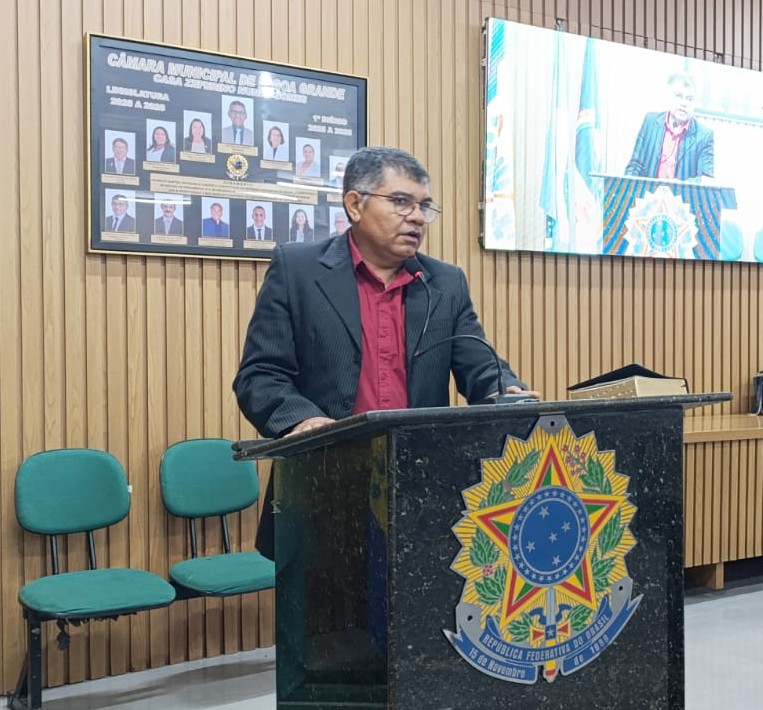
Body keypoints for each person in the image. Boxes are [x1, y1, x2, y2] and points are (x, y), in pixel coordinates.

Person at [233, 147, 539, 557]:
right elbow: (260, 375)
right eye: (400, 202)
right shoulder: (298, 271)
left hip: (423, 489)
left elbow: (479, 364)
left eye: (424, 206)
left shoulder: (444, 283)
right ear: (355, 205)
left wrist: (506, 390)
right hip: (322, 483)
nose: (417, 217)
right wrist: (304, 420)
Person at [625, 73, 714, 180]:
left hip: (681, 191)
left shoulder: (704, 136)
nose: (684, 103)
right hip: (649, 190)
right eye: (679, 96)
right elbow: (635, 165)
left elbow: (705, 179)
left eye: (689, 99)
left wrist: (676, 187)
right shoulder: (650, 122)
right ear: (669, 97)